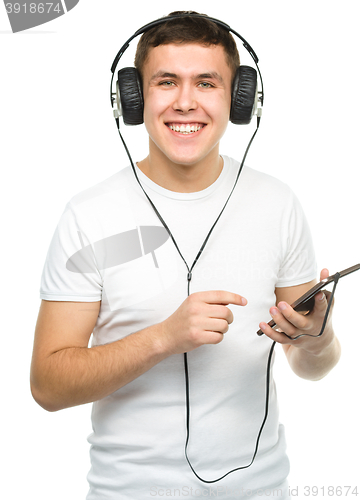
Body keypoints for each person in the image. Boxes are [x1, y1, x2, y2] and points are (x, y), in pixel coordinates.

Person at [30, 11, 341, 500]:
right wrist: (161, 339)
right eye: (166, 82)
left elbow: (314, 365)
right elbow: (48, 386)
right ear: (133, 98)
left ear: (240, 99)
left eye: (207, 83)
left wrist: (316, 342)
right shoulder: (88, 215)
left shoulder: (278, 204)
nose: (185, 102)